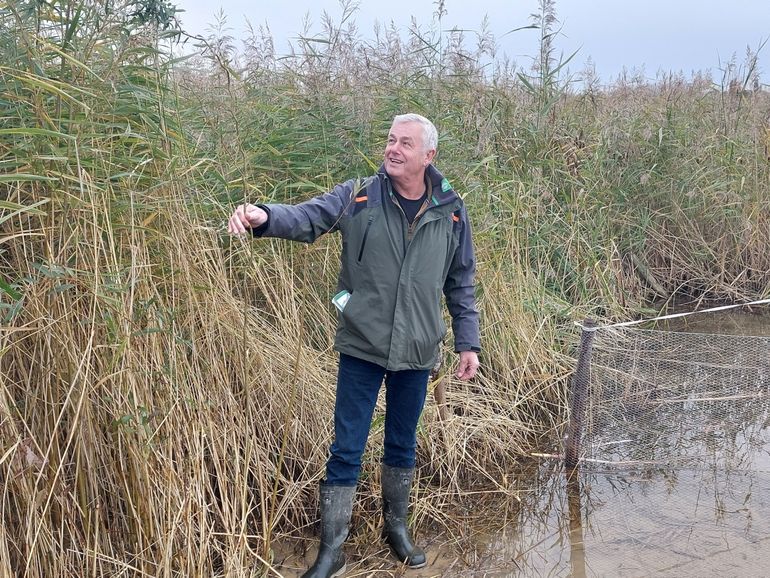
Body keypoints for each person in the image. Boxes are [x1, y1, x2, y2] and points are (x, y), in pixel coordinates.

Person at [228, 113, 480, 578]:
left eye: (405, 143)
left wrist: (469, 342)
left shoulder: (451, 210)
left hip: (419, 349)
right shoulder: (358, 196)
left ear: (429, 156)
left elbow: (460, 281)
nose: (393, 149)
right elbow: (307, 217)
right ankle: (333, 550)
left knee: (402, 444)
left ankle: (396, 531)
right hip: (362, 344)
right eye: (390, 140)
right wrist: (264, 216)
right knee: (346, 448)